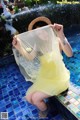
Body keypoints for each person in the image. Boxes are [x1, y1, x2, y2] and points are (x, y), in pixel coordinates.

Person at [12, 23, 73, 118]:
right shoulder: (38, 46)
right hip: (46, 77)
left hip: (59, 78)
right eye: (39, 32)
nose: (43, 33)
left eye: (44, 30)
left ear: (49, 30)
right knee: (29, 97)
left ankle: (46, 110)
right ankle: (47, 106)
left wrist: (61, 35)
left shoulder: (57, 41)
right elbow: (29, 56)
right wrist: (18, 47)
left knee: (35, 99)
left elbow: (69, 54)